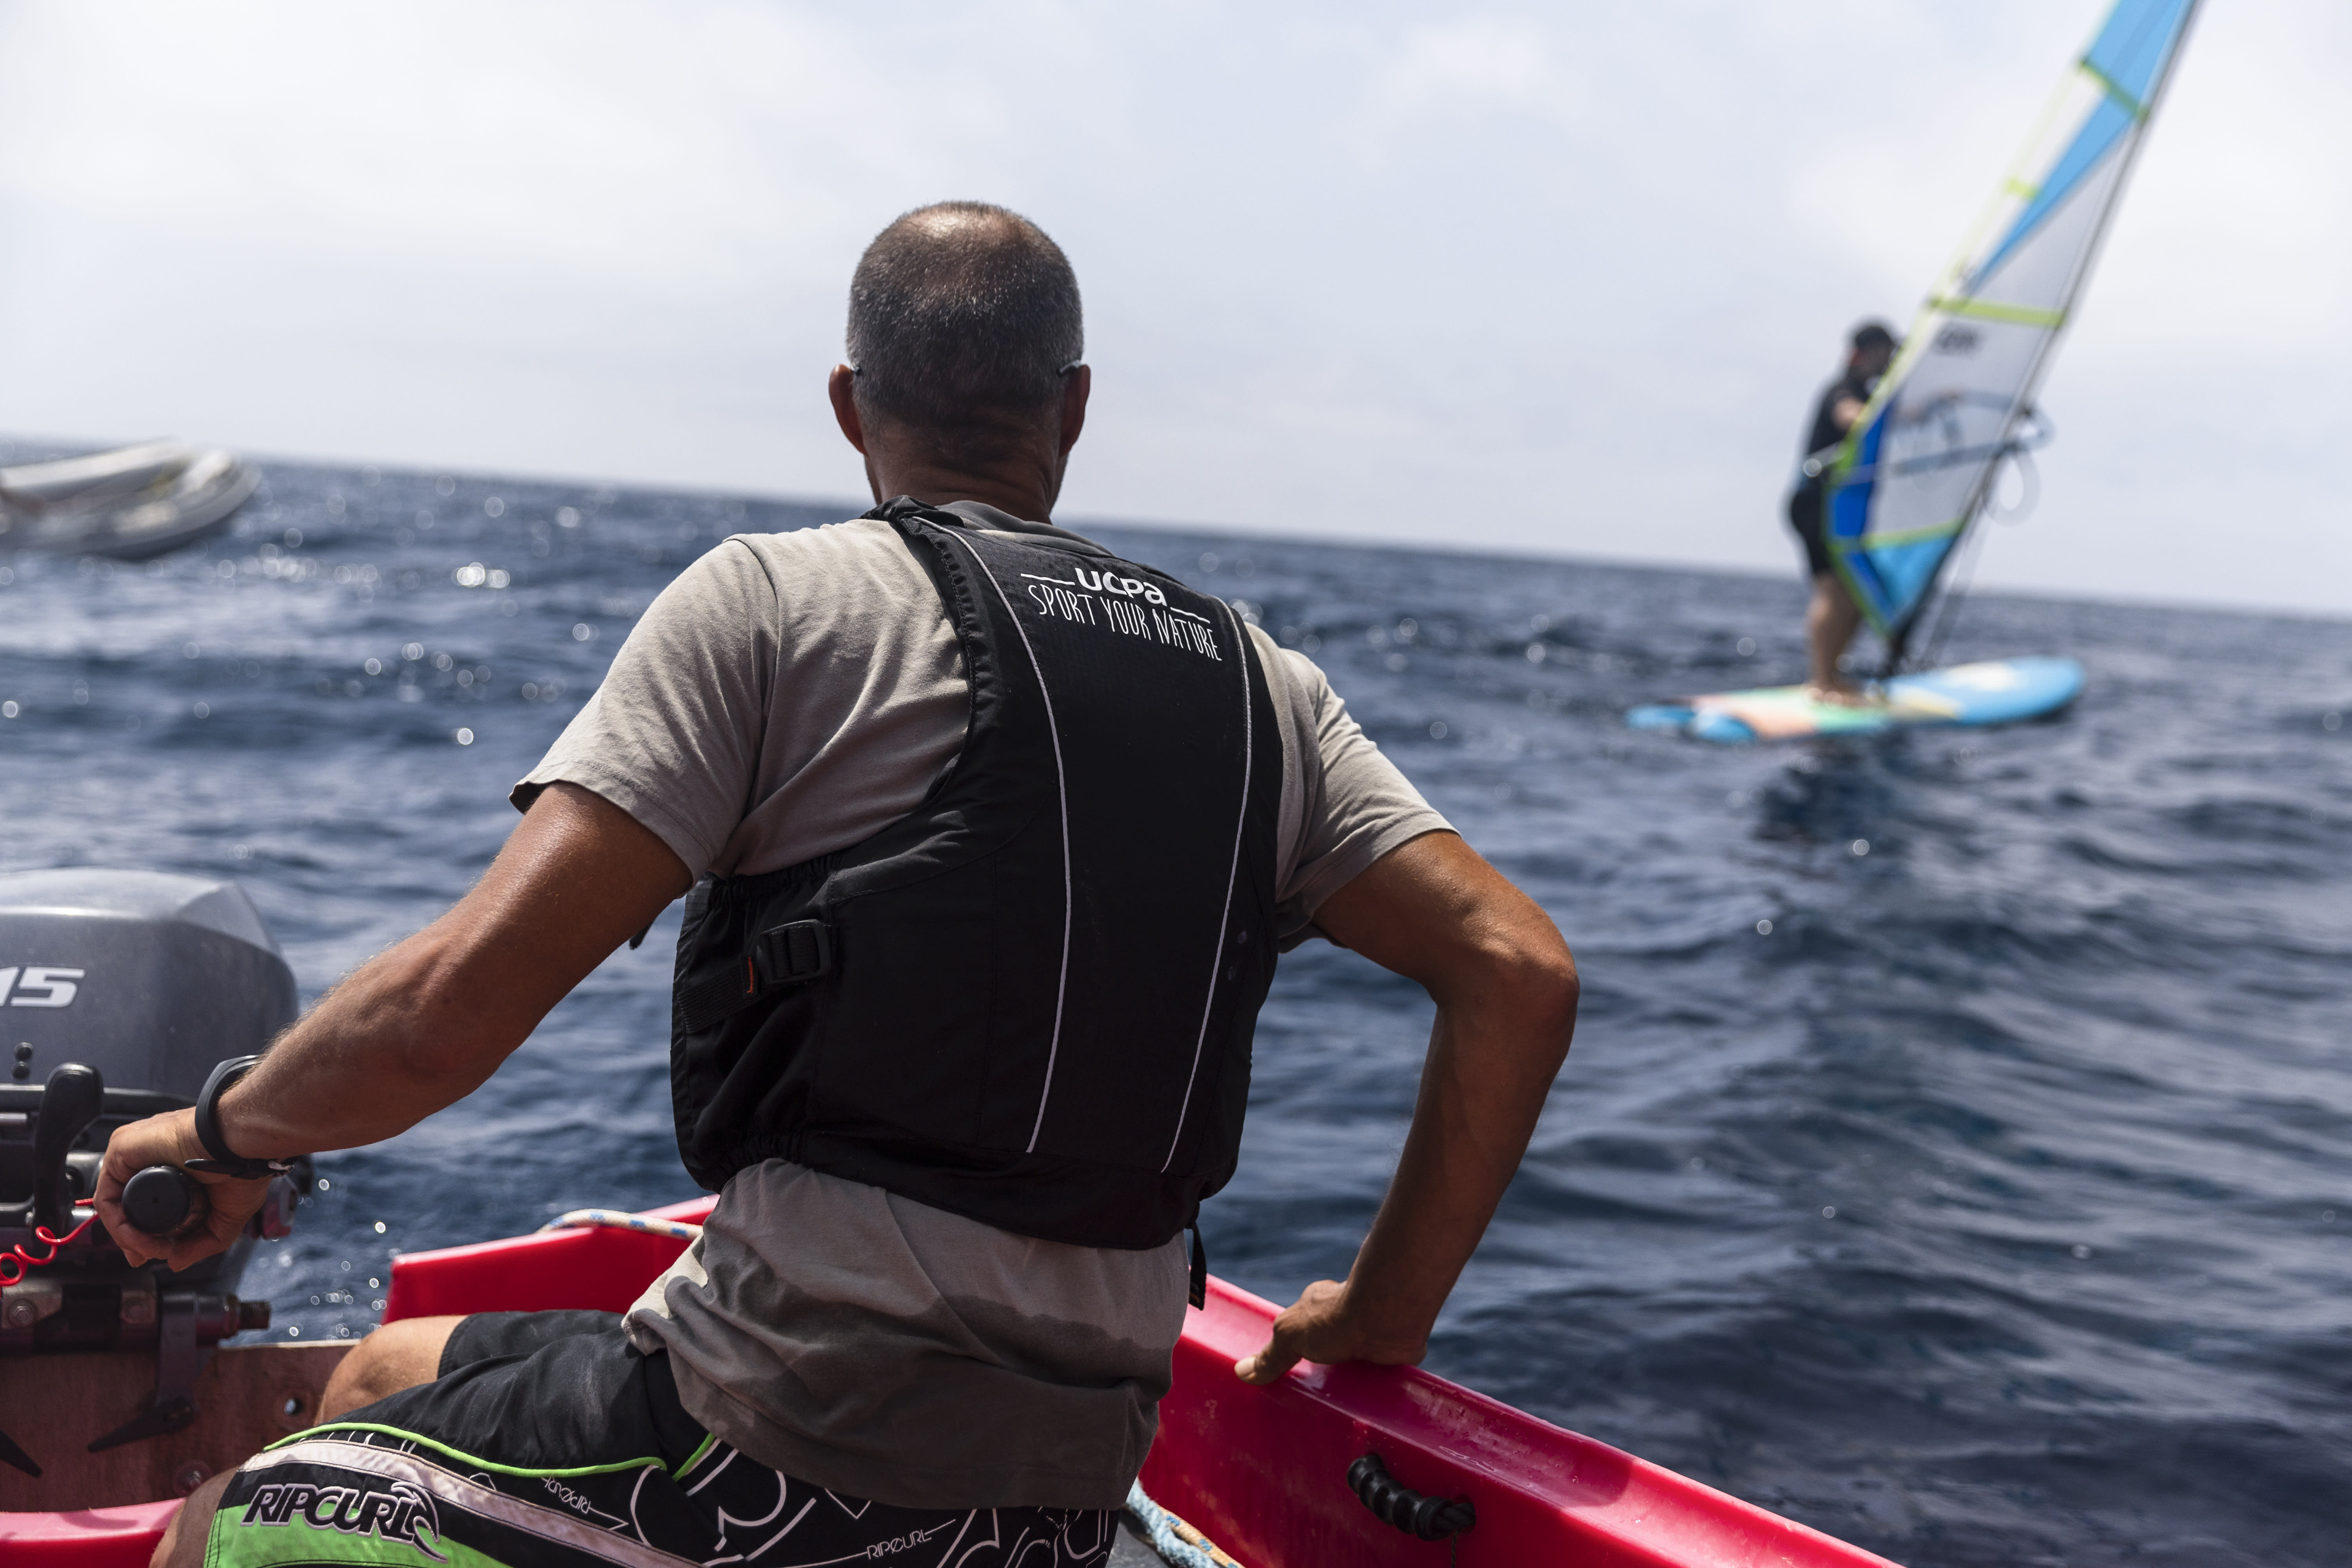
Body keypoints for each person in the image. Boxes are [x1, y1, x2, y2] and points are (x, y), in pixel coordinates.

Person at [101, 201, 1579, 1568]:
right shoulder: (1264, 684)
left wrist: (218, 1127)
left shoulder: (774, 602)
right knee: (386, 1375)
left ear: (846, 405)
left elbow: (439, 1017)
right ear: (1073, 407)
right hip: (1058, 1498)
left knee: (226, 1521)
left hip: (776, 1450)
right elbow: (1517, 970)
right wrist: (1379, 1313)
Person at [1786, 320, 1896, 702]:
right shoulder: (1842, 389)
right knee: (1832, 589)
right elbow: (1848, 415)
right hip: (1814, 503)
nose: (1890, 359)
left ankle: (1834, 676)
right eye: (1885, 352)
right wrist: (1885, 417)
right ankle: (1821, 682)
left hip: (1838, 508)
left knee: (1856, 594)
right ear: (1863, 354)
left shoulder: (1869, 394)